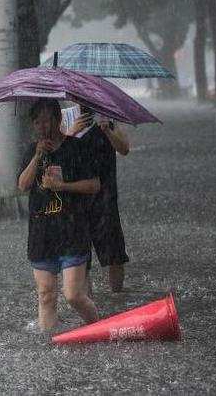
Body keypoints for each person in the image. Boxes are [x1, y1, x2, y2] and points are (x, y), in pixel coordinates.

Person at [18, 99, 101, 331]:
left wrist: (62, 186)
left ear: (58, 119)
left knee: (73, 295)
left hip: (73, 231)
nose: (42, 126)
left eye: (46, 120)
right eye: (37, 122)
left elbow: (94, 185)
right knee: (46, 295)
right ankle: (49, 347)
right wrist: (37, 157)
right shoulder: (32, 151)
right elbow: (23, 185)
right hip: (42, 234)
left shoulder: (77, 147)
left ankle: (99, 330)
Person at [67, 106, 130, 293]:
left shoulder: (109, 115)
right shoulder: (66, 117)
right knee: (81, 255)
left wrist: (108, 131)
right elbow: (57, 153)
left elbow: (124, 149)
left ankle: (117, 297)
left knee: (114, 251)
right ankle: (88, 301)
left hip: (105, 195)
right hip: (76, 195)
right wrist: (71, 133)